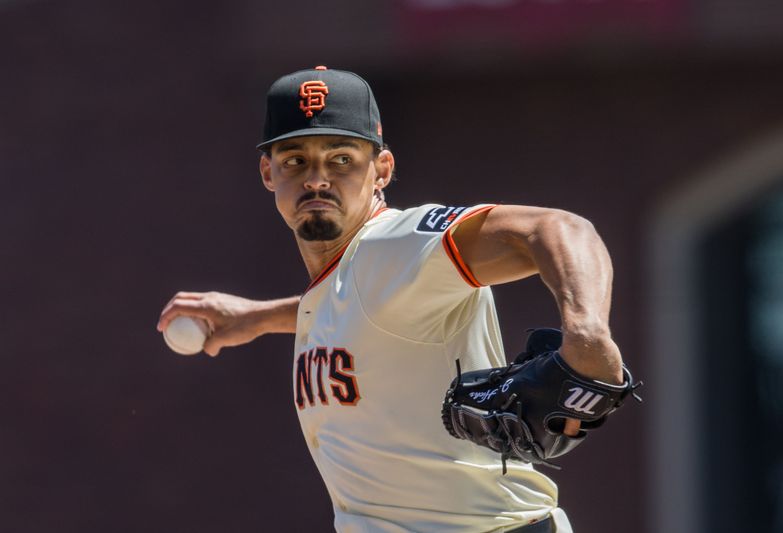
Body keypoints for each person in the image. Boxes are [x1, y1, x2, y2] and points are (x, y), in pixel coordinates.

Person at [157, 66, 625, 533]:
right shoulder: (347, 278)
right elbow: (361, 314)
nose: (316, 179)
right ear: (268, 172)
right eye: (295, 160)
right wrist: (258, 318)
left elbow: (560, 228)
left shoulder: (395, 243)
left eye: (341, 159)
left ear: (381, 169)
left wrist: (587, 330)